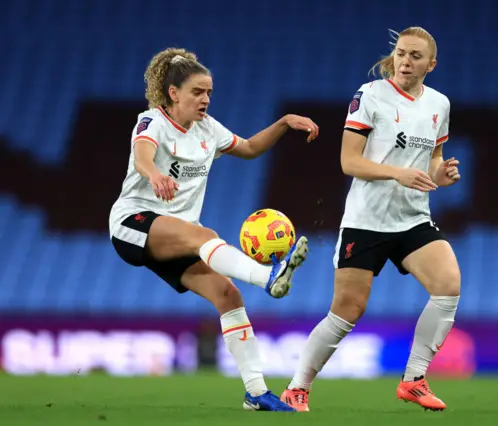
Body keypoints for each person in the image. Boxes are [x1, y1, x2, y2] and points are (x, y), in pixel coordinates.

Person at [108, 47, 319, 412]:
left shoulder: (208, 129)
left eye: (208, 93)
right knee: (204, 236)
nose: (205, 99)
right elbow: (143, 154)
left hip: (178, 236)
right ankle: (268, 276)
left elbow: (251, 148)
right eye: (197, 92)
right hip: (134, 224)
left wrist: (284, 122)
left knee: (227, 295)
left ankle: (255, 393)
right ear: (173, 93)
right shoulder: (151, 121)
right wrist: (154, 173)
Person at [281, 27, 461, 412]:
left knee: (448, 285)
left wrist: (440, 175)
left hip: (413, 218)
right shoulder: (371, 97)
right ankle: (297, 387)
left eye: (415, 56)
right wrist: (397, 173)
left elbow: (431, 161)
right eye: (400, 53)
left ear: (432, 64)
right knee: (348, 310)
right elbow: (349, 162)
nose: (405, 62)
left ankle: (414, 379)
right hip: (366, 221)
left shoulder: (439, 104)